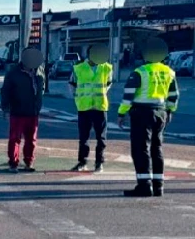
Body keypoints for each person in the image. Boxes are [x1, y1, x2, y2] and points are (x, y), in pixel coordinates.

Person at [118, 37, 180, 197]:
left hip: (141, 113)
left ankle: (144, 185)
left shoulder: (140, 72)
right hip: (160, 112)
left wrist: (121, 113)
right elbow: (174, 95)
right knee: (157, 148)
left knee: (140, 149)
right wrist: (170, 111)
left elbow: (128, 96)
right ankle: (159, 186)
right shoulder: (169, 72)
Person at [68, 44, 113, 173]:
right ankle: (82, 162)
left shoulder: (107, 68)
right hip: (84, 106)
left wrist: (103, 91)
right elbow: (72, 83)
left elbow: (109, 83)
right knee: (84, 137)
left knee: (101, 138)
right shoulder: (79, 68)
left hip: (100, 106)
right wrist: (77, 97)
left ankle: (99, 163)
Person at [0, 48, 46, 173]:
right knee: (15, 138)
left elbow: (42, 88)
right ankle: (13, 164)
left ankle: (29, 162)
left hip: (33, 111)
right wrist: (5, 107)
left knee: (31, 140)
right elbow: (5, 91)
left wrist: (38, 104)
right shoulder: (13, 73)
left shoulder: (40, 71)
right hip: (17, 111)